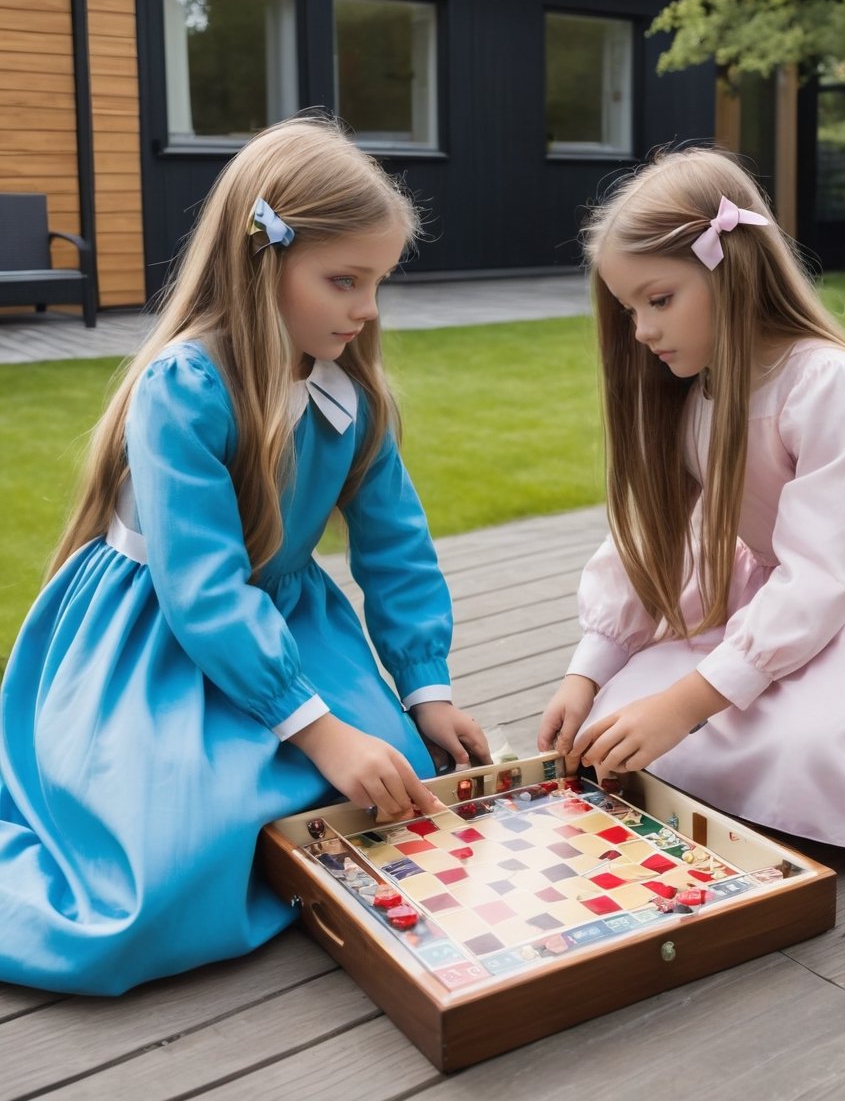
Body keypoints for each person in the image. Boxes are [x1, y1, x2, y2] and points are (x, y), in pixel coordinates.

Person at [0, 115, 488, 994]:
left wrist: (428, 690)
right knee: (165, 873)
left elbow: (398, 551)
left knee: (401, 784)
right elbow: (202, 592)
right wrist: (319, 728)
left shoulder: (352, 400)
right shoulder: (182, 391)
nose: (367, 309)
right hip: (157, 639)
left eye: (377, 282)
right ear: (265, 261)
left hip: (285, 630)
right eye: (344, 280)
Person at [539, 148, 845, 861]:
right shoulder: (695, 390)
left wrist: (686, 706)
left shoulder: (826, 385)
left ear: (728, 272)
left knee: (815, 755)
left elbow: (822, 575)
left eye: (659, 300)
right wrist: (590, 670)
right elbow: (662, 538)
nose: (641, 331)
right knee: (622, 713)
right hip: (783, 596)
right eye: (629, 308)